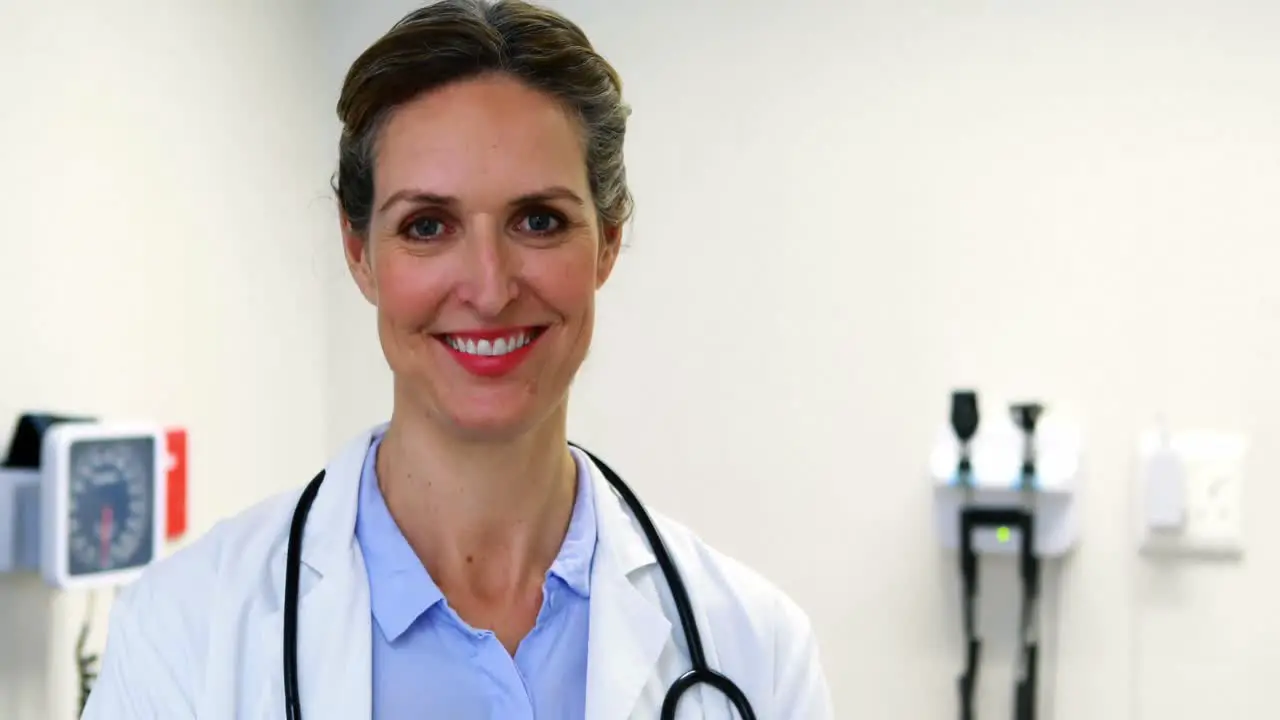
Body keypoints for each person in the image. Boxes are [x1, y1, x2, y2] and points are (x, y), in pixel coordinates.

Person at [81, 1, 833, 718]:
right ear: (359, 254)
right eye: (428, 225)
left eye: (538, 221)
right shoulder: (187, 633)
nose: (489, 287)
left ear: (607, 239)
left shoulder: (753, 650)